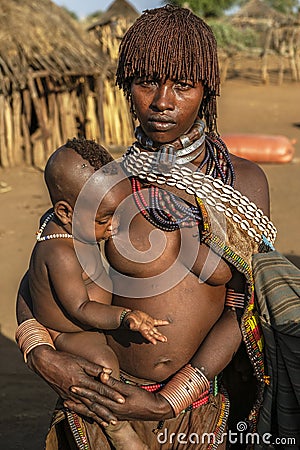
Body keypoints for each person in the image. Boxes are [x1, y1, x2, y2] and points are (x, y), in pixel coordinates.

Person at [16, 5, 279, 450]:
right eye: (146, 82)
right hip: (101, 400)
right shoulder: (101, 184)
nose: (162, 101)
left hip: (199, 409)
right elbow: (41, 277)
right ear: (126, 86)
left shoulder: (242, 182)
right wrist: (42, 354)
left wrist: (169, 402)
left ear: (207, 92)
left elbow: (247, 303)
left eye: (183, 85)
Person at [24, 137, 170, 450]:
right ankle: (116, 428)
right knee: (104, 363)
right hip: (70, 331)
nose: (115, 226)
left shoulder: (68, 223)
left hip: (84, 319)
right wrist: (126, 317)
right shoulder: (61, 253)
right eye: (105, 219)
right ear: (65, 212)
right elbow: (80, 308)